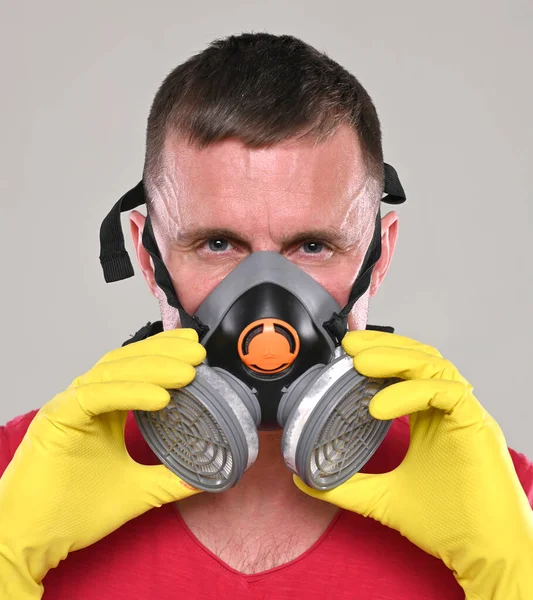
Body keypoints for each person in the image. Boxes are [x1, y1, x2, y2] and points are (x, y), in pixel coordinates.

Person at [0, 33, 532, 600]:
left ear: (379, 256)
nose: (266, 311)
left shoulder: (495, 503)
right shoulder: (24, 479)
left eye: (313, 246)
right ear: (148, 257)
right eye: (217, 243)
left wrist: (512, 573)